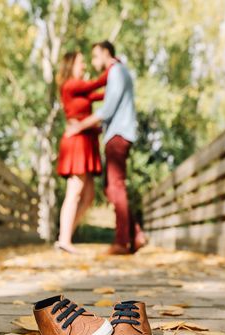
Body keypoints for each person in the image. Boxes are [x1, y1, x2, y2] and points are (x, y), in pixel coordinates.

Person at [66, 41, 146, 255]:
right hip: (117, 133)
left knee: (116, 185)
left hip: (118, 135)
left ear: (106, 53)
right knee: (110, 186)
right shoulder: (118, 72)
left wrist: (79, 126)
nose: (93, 62)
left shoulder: (116, 71)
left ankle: (122, 242)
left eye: (94, 57)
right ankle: (136, 235)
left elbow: (107, 110)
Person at [55, 51, 108, 254]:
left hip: (86, 141)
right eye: (82, 62)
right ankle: (64, 239)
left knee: (88, 195)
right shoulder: (71, 84)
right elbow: (96, 85)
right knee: (75, 190)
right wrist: (112, 66)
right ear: (71, 65)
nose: (84, 66)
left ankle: (65, 237)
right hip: (76, 142)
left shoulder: (81, 90)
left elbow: (101, 95)